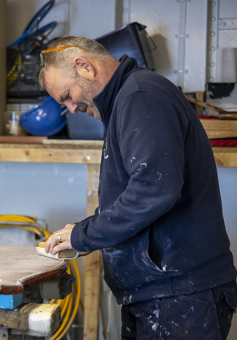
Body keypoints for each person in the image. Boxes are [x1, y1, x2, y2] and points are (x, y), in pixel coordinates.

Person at [41, 36, 237, 339]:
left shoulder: (141, 96)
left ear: (84, 67)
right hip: (161, 294)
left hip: (179, 294)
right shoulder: (125, 101)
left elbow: (153, 190)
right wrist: (85, 229)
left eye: (67, 95)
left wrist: (85, 236)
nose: (72, 108)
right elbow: (130, 193)